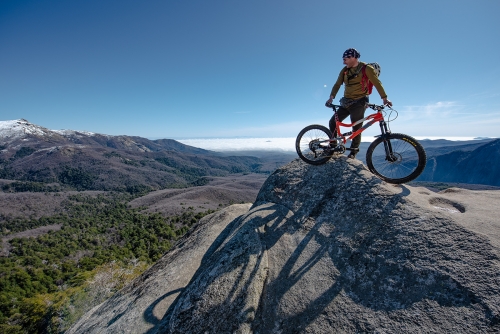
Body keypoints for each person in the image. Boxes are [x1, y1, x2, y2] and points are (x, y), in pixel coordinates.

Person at [326, 48, 392, 159]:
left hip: (360, 102)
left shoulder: (366, 68)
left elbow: (377, 83)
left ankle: (353, 152)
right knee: (333, 122)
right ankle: (332, 147)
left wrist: (384, 98)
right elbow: (337, 84)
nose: (343, 62)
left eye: (345, 59)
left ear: (353, 58)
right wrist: (331, 97)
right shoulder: (344, 71)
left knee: (357, 127)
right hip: (346, 102)